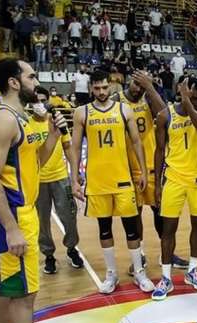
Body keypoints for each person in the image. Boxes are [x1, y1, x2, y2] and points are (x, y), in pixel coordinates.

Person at [0, 58, 69, 323]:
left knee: (10, 288)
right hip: (13, 217)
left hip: (26, 212)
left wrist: (55, 134)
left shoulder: (25, 117)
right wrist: (10, 227)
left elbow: (38, 160)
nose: (36, 79)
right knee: (23, 295)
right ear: (15, 83)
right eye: (31, 75)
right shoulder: (3, 120)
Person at [69, 69, 153, 294]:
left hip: (123, 179)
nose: (101, 92)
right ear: (90, 89)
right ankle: (111, 274)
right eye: (96, 88)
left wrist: (144, 172)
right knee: (104, 230)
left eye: (105, 87)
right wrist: (74, 177)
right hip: (97, 181)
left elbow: (137, 142)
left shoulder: (124, 110)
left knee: (131, 230)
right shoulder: (81, 112)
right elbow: (75, 147)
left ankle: (139, 272)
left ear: (111, 87)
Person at [116, 70, 189, 274]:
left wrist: (150, 87)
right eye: (136, 83)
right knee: (134, 215)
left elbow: (166, 114)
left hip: (153, 166)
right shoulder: (117, 100)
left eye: (143, 84)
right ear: (129, 81)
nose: (138, 88)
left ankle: (167, 253)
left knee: (162, 214)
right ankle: (138, 256)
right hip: (129, 168)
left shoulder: (149, 99)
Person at [151, 76, 197, 300]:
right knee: (168, 230)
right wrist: (157, 184)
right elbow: (159, 151)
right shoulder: (165, 115)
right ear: (182, 91)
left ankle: (192, 271)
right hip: (174, 179)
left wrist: (189, 104)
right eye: (193, 97)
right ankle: (166, 278)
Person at [31, 86, 83, 274]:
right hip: (37, 182)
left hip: (61, 178)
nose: (40, 104)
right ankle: (49, 255)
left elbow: (69, 148)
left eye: (44, 100)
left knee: (69, 216)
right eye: (36, 101)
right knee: (41, 222)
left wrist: (75, 175)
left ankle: (71, 249)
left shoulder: (58, 122)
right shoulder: (26, 124)